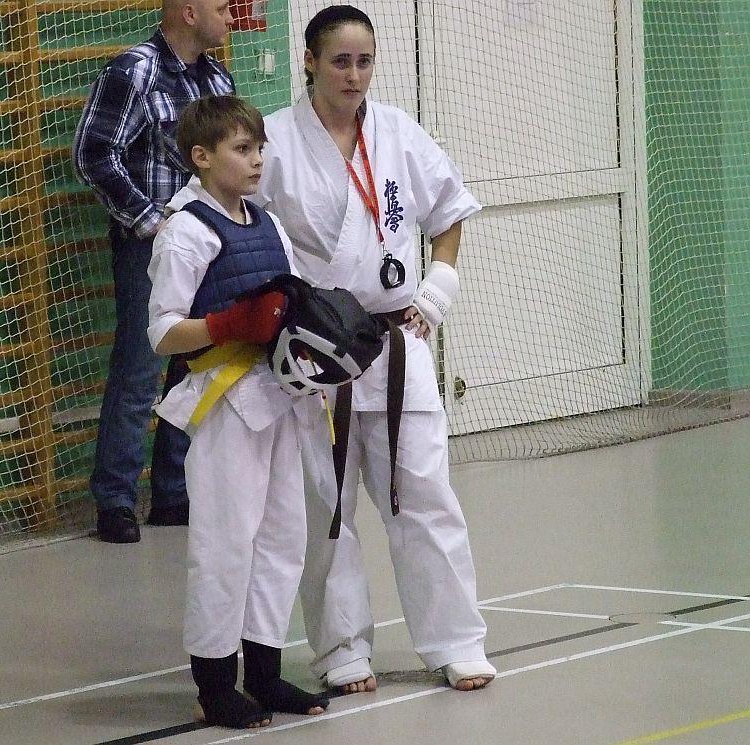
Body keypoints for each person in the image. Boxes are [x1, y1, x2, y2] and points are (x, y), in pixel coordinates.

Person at [254, 5, 497, 693]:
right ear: (309, 61)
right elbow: (222, 213)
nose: (353, 75)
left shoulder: (396, 132)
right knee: (325, 505)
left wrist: (438, 288)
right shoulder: (274, 141)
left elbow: (449, 212)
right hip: (313, 353)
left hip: (394, 343)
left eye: (364, 61)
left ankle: (456, 640)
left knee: (425, 493)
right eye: (340, 61)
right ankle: (341, 650)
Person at [146, 94, 330, 728]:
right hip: (223, 399)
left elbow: (288, 301)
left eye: (259, 148)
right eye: (242, 149)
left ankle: (266, 673)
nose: (257, 160)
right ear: (202, 157)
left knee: (282, 538)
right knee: (225, 543)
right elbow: (162, 332)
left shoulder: (267, 223)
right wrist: (228, 324)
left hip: (279, 394)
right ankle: (215, 682)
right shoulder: (185, 231)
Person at [72, 0, 236, 542]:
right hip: (149, 247)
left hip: (205, 246)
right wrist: (151, 222)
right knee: (139, 371)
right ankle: (116, 500)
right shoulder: (134, 70)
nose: (232, 16)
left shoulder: (217, 78)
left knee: (193, 366)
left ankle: (174, 492)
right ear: (189, 12)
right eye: (222, 7)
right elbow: (94, 154)